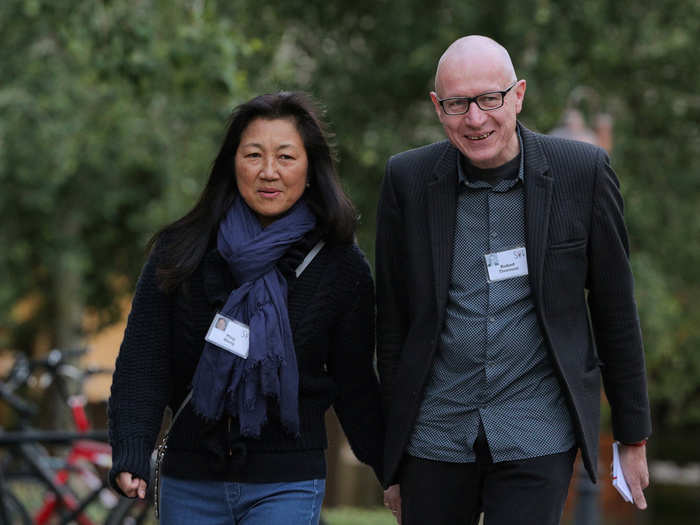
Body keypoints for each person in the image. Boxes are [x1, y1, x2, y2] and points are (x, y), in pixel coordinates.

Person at [376, 36, 651, 525]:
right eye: (458, 104)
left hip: (536, 429)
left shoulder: (580, 173)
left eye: (489, 99)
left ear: (517, 95)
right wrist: (390, 458)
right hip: (434, 432)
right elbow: (393, 324)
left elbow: (615, 310)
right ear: (439, 107)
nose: (476, 118)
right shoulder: (408, 179)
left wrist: (632, 439)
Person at [108, 92, 384, 524]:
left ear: (311, 168)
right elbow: (144, 361)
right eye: (253, 154)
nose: (268, 171)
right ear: (231, 164)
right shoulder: (181, 252)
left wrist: (393, 472)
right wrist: (131, 448)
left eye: (286, 157)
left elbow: (356, 385)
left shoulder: (339, 265)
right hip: (190, 480)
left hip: (287, 481)